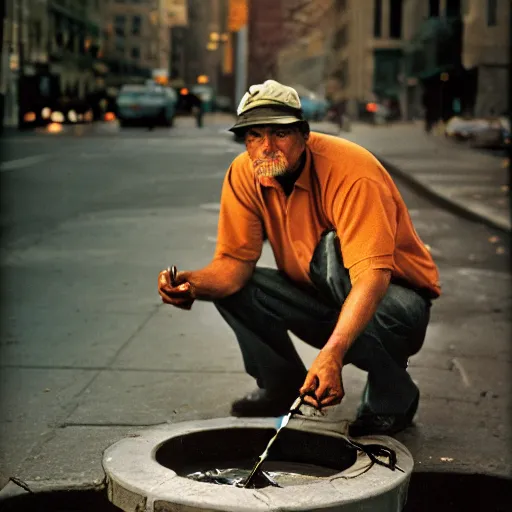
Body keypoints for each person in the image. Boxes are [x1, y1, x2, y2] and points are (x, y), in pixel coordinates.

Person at [158, 80, 440, 437]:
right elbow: (232, 266)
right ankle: (280, 386)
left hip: (395, 308)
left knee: (334, 251)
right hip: (319, 298)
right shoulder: (244, 173)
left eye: (280, 134)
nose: (267, 147)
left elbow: (372, 277)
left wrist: (332, 354)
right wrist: (191, 283)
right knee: (236, 289)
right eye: (255, 136)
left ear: (304, 134)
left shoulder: (352, 171)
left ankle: (392, 393)